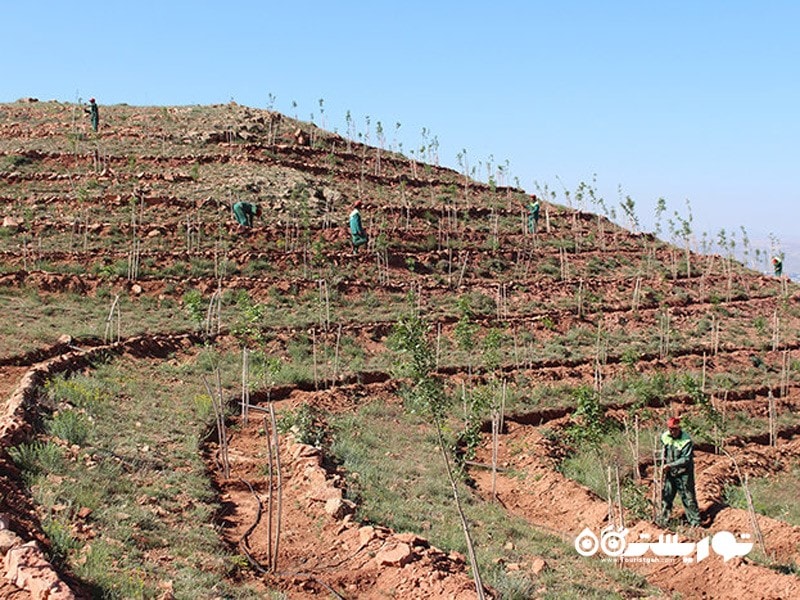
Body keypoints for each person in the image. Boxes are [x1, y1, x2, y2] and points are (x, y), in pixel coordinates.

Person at [658, 416, 701, 527]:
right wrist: (662, 463)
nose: (672, 431)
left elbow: (686, 459)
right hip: (670, 472)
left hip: (684, 473)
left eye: (675, 429)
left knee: (688, 497)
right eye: (670, 429)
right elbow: (663, 451)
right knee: (667, 496)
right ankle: (663, 521)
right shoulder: (665, 437)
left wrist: (670, 465)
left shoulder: (686, 441)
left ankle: (695, 523)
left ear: (679, 428)